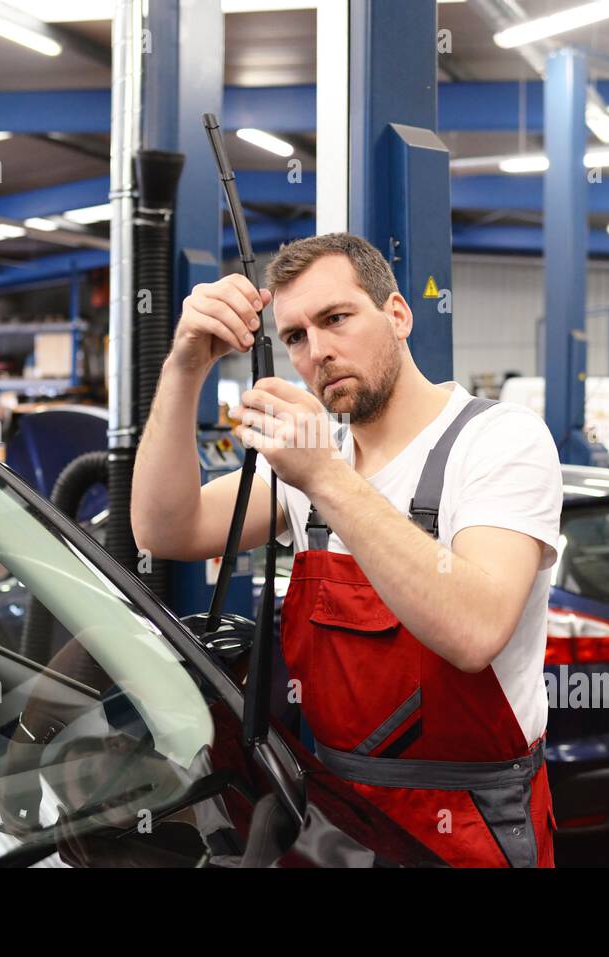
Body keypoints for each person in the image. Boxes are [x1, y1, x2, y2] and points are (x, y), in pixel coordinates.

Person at [131, 232, 563, 867]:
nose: (319, 352)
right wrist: (186, 365)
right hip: (333, 822)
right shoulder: (306, 467)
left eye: (336, 318)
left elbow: (475, 629)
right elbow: (165, 529)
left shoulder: (498, 441)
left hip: (470, 827)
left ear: (397, 314)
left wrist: (327, 478)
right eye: (297, 337)